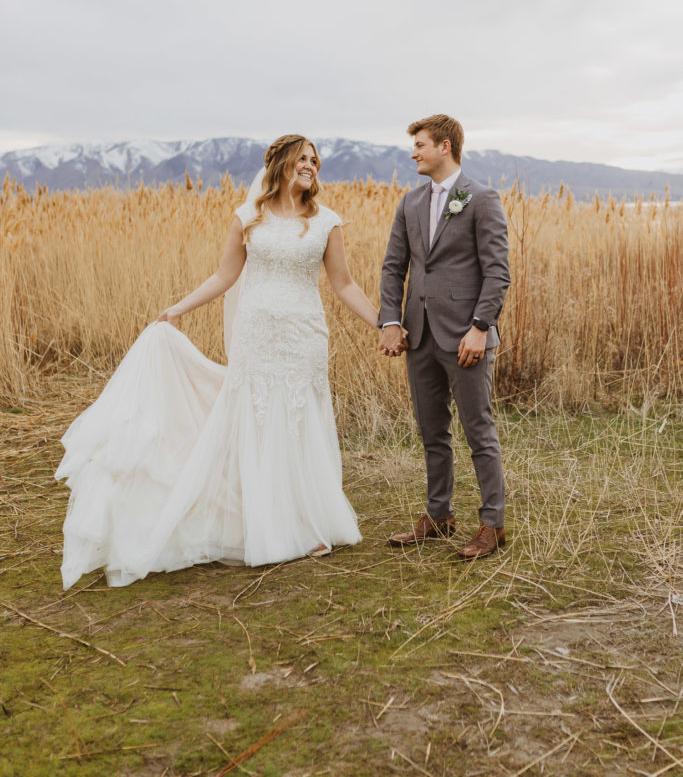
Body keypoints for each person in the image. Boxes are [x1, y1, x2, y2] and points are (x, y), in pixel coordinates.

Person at [56, 135, 379, 589]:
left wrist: (384, 323)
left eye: (314, 160)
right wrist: (177, 310)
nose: (310, 166)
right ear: (283, 164)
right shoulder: (248, 218)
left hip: (304, 336)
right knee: (259, 419)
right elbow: (225, 276)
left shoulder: (327, 221)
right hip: (256, 336)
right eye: (302, 159)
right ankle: (260, 520)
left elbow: (344, 284)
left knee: (299, 421)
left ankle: (306, 522)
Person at [378, 114, 510, 559]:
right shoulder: (410, 202)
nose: (413, 152)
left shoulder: (482, 199)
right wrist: (390, 321)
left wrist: (480, 328)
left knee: (479, 431)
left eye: (420, 144)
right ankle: (439, 515)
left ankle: (492, 523)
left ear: (445, 147)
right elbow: (394, 267)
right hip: (419, 335)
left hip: (466, 338)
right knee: (432, 430)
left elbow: (497, 273)